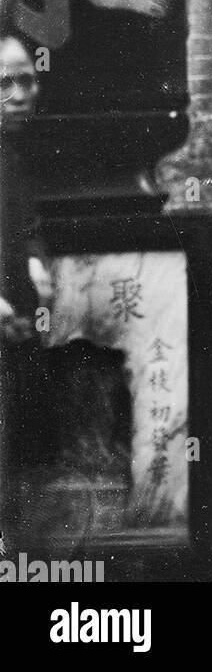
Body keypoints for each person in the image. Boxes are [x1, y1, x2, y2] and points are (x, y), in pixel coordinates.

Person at [0, 31, 54, 526]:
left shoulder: (11, 152)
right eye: (5, 83)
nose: (20, 95)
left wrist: (35, 263)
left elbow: (26, 224)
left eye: (27, 81)